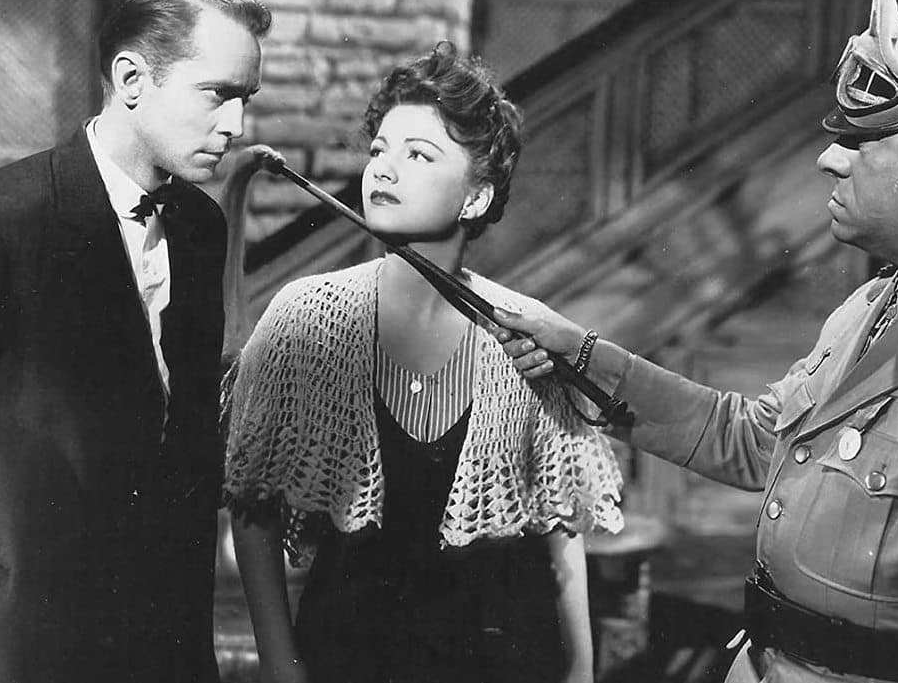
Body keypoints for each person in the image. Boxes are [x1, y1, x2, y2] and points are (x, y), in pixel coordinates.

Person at [494, 0, 898, 683]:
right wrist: (579, 355)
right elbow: (755, 439)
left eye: (864, 140)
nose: (830, 157)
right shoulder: (879, 302)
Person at [0, 0, 268, 683]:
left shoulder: (200, 227)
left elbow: (182, 454)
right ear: (131, 80)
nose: (237, 125)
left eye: (245, 98)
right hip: (1, 650)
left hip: (152, 648)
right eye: (217, 94)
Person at [222, 42, 624, 683]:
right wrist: (281, 662)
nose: (383, 170)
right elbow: (251, 501)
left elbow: (561, 530)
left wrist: (580, 672)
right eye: (380, 150)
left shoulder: (528, 331)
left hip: (504, 662)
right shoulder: (304, 315)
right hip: (346, 660)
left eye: (418, 155)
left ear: (476, 197)